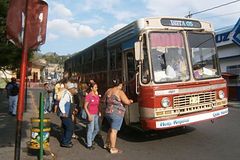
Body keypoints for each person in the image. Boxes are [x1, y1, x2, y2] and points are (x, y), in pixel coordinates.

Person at [103, 79, 133, 154]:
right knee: (114, 131)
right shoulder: (119, 92)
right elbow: (127, 102)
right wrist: (131, 101)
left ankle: (107, 143)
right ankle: (112, 148)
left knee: (111, 128)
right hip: (117, 114)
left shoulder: (108, 91)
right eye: (122, 85)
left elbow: (103, 100)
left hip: (108, 113)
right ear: (120, 85)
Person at [58, 82, 78, 148]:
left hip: (67, 113)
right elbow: (61, 103)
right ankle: (66, 142)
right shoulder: (67, 95)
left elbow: (69, 104)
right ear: (70, 89)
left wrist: (73, 109)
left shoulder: (69, 94)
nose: (75, 90)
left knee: (65, 127)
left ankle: (64, 140)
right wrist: (64, 112)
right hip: (65, 114)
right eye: (74, 88)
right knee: (70, 127)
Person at [83, 82, 101, 150]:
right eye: (95, 87)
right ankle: (89, 144)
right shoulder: (89, 96)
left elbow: (97, 105)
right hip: (91, 114)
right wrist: (89, 115)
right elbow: (85, 106)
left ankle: (91, 139)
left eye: (97, 87)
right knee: (91, 129)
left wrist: (99, 112)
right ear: (91, 88)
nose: (97, 88)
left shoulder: (96, 95)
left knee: (97, 129)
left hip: (96, 114)